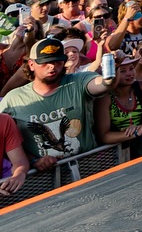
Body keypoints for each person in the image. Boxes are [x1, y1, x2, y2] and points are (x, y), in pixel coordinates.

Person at [0, 38, 118, 171]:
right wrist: (32, 160)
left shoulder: (79, 81)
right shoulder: (13, 99)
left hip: (89, 167)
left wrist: (113, 70)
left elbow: (103, 84)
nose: (52, 66)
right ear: (31, 64)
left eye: (57, 61)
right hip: (45, 177)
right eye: (45, 62)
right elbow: (5, 141)